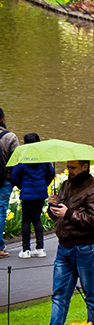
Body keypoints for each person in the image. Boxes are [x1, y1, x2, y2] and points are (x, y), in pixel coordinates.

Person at [45, 159, 94, 325]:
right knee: (59, 294)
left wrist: (68, 213)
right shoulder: (65, 185)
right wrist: (52, 206)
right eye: (67, 167)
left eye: (73, 167)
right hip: (64, 246)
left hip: (85, 247)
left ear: (84, 167)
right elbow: (57, 216)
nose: (69, 170)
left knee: (91, 294)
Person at [10, 133, 55, 258]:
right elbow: (50, 173)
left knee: (26, 220)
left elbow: (15, 176)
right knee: (36, 219)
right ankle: (40, 248)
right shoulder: (43, 157)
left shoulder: (22, 158)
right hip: (40, 193)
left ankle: (26, 250)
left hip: (27, 194)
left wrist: (22, 186)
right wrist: (43, 185)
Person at [0, 107, 19, 258]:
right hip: (4, 181)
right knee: (0, 212)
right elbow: (17, 163)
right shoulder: (10, 137)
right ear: (2, 119)